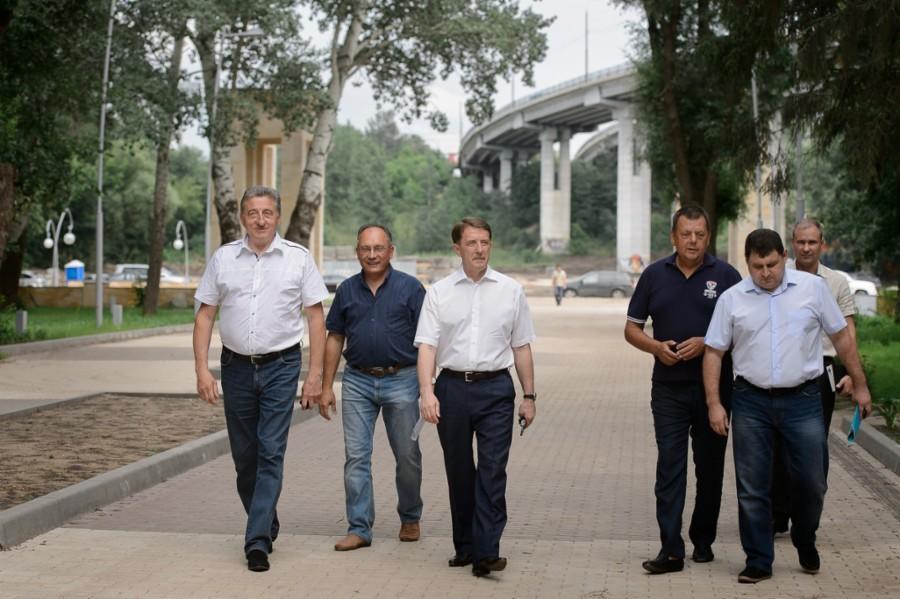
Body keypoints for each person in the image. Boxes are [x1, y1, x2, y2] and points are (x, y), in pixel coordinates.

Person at [703, 228, 872, 584]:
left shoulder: (813, 290)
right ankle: (758, 559)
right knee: (752, 485)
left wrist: (860, 384)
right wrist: (714, 403)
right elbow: (714, 351)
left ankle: (805, 537)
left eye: (772, 264)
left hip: (803, 400)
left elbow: (841, 337)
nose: (765, 273)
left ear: (784, 257)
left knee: (812, 482)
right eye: (757, 266)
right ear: (747, 263)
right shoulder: (732, 300)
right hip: (750, 401)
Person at [193, 185, 328, 573]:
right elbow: (205, 315)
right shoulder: (223, 259)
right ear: (242, 218)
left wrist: (314, 375)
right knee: (244, 457)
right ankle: (265, 519)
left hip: (281, 366)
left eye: (267, 212)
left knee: (271, 450)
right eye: (252, 213)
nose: (260, 220)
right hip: (235, 367)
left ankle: (256, 542)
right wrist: (202, 370)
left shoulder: (298, 259)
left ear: (278, 216)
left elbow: (315, 318)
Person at [415, 217, 536, 578]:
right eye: (472, 243)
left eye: (485, 242)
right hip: (451, 388)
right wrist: (427, 391)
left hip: (496, 389)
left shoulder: (510, 291)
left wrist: (529, 396)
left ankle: (487, 551)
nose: (480, 249)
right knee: (459, 471)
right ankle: (466, 546)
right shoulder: (439, 292)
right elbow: (427, 346)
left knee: (492, 470)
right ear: (458, 248)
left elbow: (522, 346)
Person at [624, 205, 742, 575]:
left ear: (709, 237)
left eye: (700, 234)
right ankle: (671, 548)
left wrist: (708, 342)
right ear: (673, 237)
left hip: (715, 392)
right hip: (668, 389)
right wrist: (655, 347)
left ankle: (703, 540)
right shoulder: (654, 274)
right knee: (670, 467)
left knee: (709, 469)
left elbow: (746, 329)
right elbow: (631, 329)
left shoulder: (727, 276)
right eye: (686, 234)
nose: (693, 241)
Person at [319, 224, 425, 551]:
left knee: (407, 455)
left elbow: (428, 341)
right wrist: (326, 387)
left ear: (391, 251)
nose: (372, 254)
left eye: (379, 248)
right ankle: (359, 527)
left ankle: (410, 515)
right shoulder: (347, 290)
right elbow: (335, 337)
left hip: (403, 380)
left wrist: (429, 386)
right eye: (366, 248)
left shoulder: (411, 289)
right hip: (357, 381)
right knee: (356, 457)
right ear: (357, 252)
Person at [772, 218, 858, 533]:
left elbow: (848, 331)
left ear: (822, 244)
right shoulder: (777, 276)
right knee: (778, 443)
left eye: (812, 242)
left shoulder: (836, 283)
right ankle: (778, 514)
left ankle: (808, 512)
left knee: (813, 445)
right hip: (784, 367)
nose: (806, 248)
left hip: (823, 370)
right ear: (792, 244)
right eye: (801, 242)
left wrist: (851, 373)